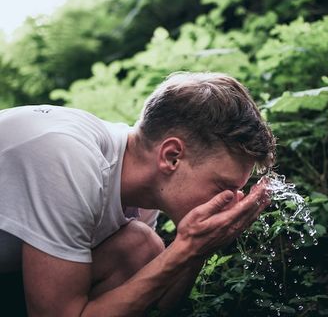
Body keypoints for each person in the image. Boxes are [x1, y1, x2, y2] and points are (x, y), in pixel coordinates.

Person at [0, 72, 276, 316]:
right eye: (223, 187)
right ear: (172, 156)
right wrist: (187, 246)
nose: (231, 200)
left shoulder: (141, 185)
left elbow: (158, 304)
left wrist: (197, 250)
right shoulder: (69, 160)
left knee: (141, 248)